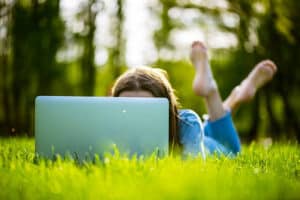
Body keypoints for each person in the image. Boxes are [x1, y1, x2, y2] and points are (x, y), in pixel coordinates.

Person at [111, 41, 277, 158]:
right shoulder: (109, 129)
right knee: (204, 128)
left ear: (168, 109)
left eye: (146, 109)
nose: (138, 118)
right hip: (201, 132)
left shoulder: (186, 123)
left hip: (211, 143)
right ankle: (236, 96)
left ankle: (213, 91)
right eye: (128, 108)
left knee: (232, 151)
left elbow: (195, 166)